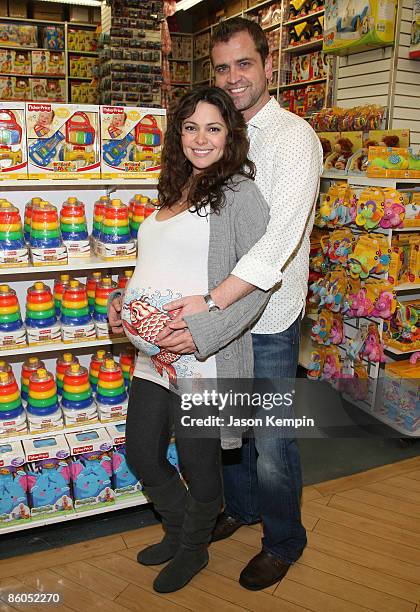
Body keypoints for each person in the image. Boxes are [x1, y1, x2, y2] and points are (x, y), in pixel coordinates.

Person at [155, 17, 324, 591]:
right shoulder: (220, 131)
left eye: (243, 64)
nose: (233, 78)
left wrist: (211, 300)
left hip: (268, 316)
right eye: (222, 67)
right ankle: (242, 509)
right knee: (234, 426)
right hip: (222, 321)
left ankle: (283, 541)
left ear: (268, 65)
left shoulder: (295, 137)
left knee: (273, 437)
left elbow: (278, 240)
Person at [108, 86, 272, 594]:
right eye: (191, 127)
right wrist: (123, 301)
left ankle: (194, 548)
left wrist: (200, 333)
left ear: (230, 135)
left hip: (205, 359)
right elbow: (157, 265)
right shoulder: (174, 193)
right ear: (178, 134)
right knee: (142, 452)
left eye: (214, 127)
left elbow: (262, 281)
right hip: (152, 357)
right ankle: (182, 533)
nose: (201, 139)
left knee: (201, 465)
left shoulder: (240, 194)